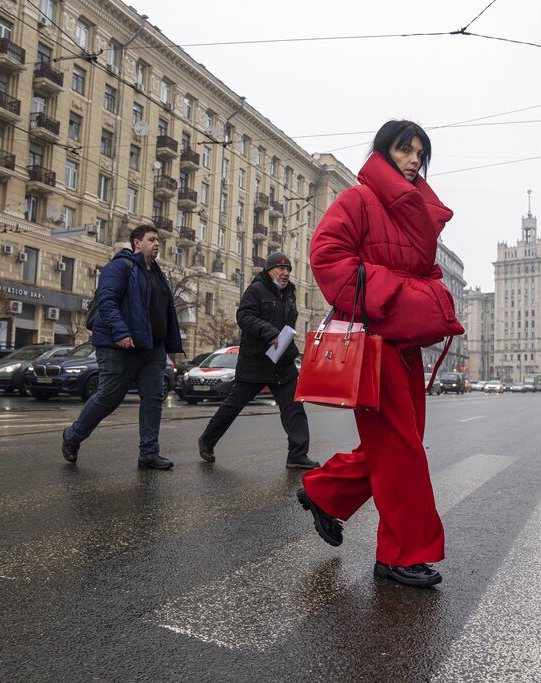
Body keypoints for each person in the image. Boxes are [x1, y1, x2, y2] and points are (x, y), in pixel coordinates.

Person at [295, 120, 465, 588]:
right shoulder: (358, 199)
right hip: (372, 341)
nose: (413, 160)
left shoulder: (416, 213)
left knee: (396, 446)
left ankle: (325, 493)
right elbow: (326, 256)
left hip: (405, 344)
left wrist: (427, 298)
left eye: (419, 153)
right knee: (401, 450)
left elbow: (426, 272)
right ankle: (399, 554)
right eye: (403, 150)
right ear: (383, 151)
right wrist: (396, 295)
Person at [61, 223, 182, 469]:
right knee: (108, 397)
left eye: (158, 240)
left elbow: (163, 311)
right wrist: (121, 332)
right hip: (120, 346)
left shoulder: (158, 274)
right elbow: (107, 302)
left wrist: (169, 341)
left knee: (153, 397)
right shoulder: (120, 267)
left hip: (152, 348)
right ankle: (72, 436)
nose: (157, 243)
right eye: (151, 239)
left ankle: (149, 453)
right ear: (137, 243)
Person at [196, 252, 318, 470]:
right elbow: (244, 316)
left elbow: (289, 327)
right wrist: (269, 332)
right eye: (281, 269)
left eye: (288, 269)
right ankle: (207, 440)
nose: (286, 273)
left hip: (282, 364)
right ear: (269, 270)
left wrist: (290, 349)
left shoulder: (290, 293)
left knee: (294, 409)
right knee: (233, 405)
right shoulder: (256, 290)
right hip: (256, 362)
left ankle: (297, 455)